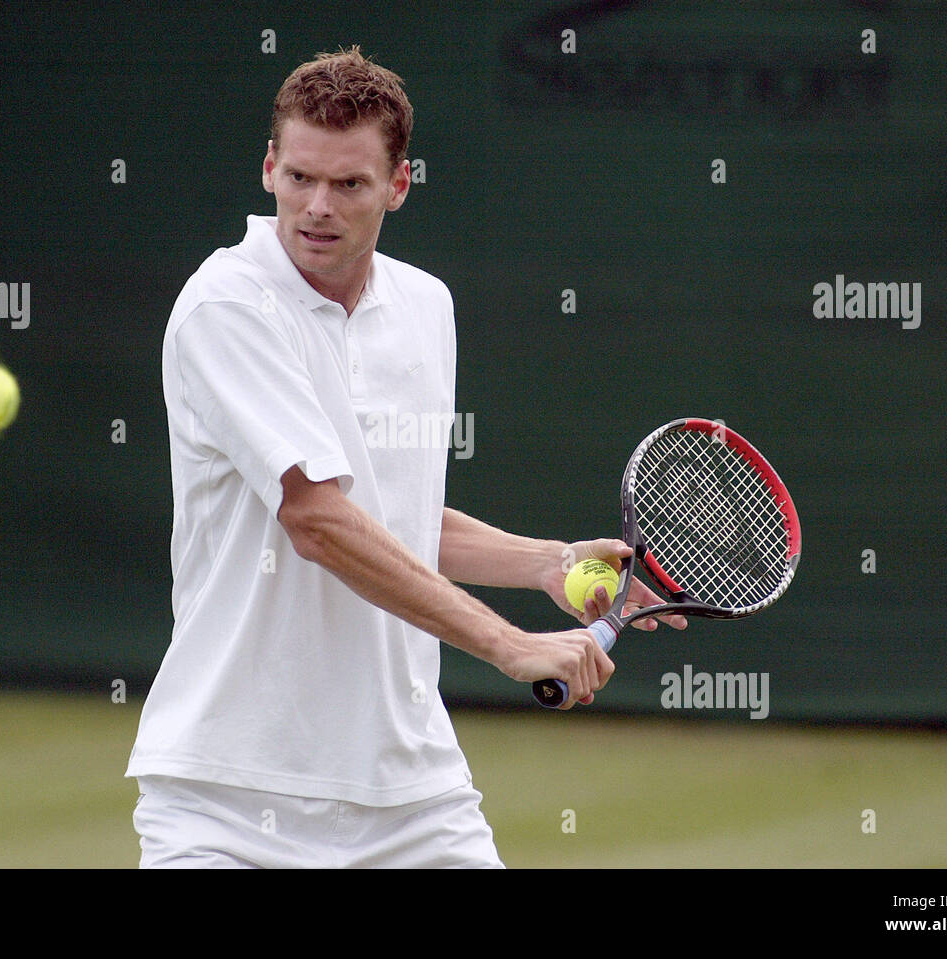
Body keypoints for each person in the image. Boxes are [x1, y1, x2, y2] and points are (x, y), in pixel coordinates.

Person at [126, 45, 685, 868]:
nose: (317, 206)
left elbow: (393, 514)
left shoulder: (426, 308)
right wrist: (510, 644)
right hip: (229, 799)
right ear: (269, 168)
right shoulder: (226, 305)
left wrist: (547, 562)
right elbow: (319, 521)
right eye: (300, 178)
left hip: (414, 801)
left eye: (349, 184)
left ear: (398, 185)